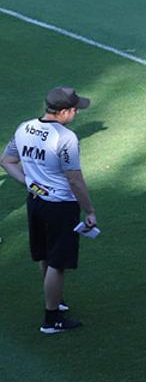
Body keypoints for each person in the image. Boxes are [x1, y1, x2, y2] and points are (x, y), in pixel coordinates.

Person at [2, 87, 96, 334]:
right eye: (75, 110)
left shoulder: (25, 128)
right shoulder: (66, 138)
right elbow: (74, 179)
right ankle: (52, 318)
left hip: (35, 201)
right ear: (63, 111)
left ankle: (55, 301)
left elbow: (7, 161)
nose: (76, 113)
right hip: (60, 205)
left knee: (45, 255)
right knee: (58, 262)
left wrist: (27, 181)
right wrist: (90, 210)